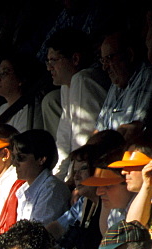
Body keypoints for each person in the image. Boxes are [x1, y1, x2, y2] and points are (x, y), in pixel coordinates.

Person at [44, 28, 109, 177]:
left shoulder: (83, 79)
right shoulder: (67, 86)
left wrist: (73, 180)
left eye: (53, 60)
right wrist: (57, 179)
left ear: (75, 59)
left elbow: (84, 141)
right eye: (48, 61)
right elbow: (64, 142)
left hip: (93, 171)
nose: (49, 67)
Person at [94, 30, 152, 134]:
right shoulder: (117, 84)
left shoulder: (147, 76)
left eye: (109, 59)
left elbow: (131, 133)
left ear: (129, 55)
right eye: (103, 61)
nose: (105, 67)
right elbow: (99, 130)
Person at [12, 129, 70, 225]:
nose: (14, 163)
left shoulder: (52, 189)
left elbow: (37, 234)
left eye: (21, 157)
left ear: (41, 159)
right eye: (13, 157)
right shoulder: (24, 189)